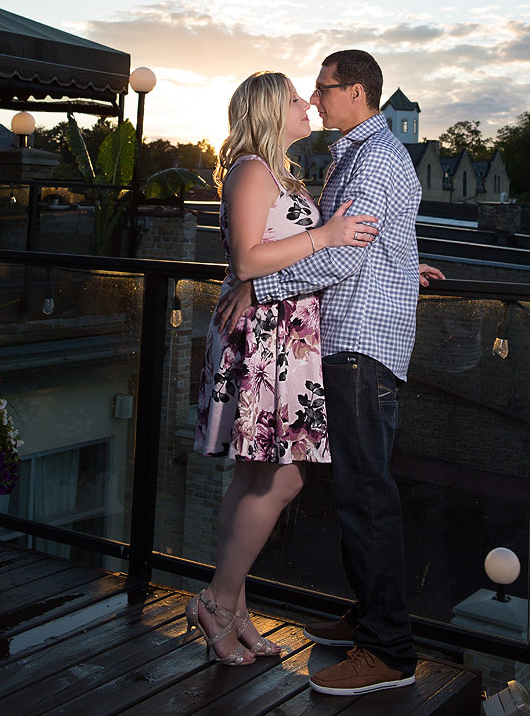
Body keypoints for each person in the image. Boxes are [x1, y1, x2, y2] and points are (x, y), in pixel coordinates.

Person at [216, 49, 444, 696]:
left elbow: (344, 255)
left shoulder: (372, 157)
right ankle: (369, 617)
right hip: (343, 339)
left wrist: (257, 291)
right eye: (307, 93)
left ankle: (388, 649)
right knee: (355, 491)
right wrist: (400, 268)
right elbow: (364, 242)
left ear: (356, 92)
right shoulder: (356, 153)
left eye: (323, 90)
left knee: (365, 495)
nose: (314, 100)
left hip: (358, 344)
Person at [187, 70, 380, 665]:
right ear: (272, 110)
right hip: (265, 339)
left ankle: (232, 604)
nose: (308, 104)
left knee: (252, 476)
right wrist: (325, 236)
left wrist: (392, 269)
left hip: (285, 335)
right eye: (297, 97)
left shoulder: (281, 173)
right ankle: (219, 601)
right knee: (284, 476)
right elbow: (248, 256)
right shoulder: (250, 169)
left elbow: (273, 258)